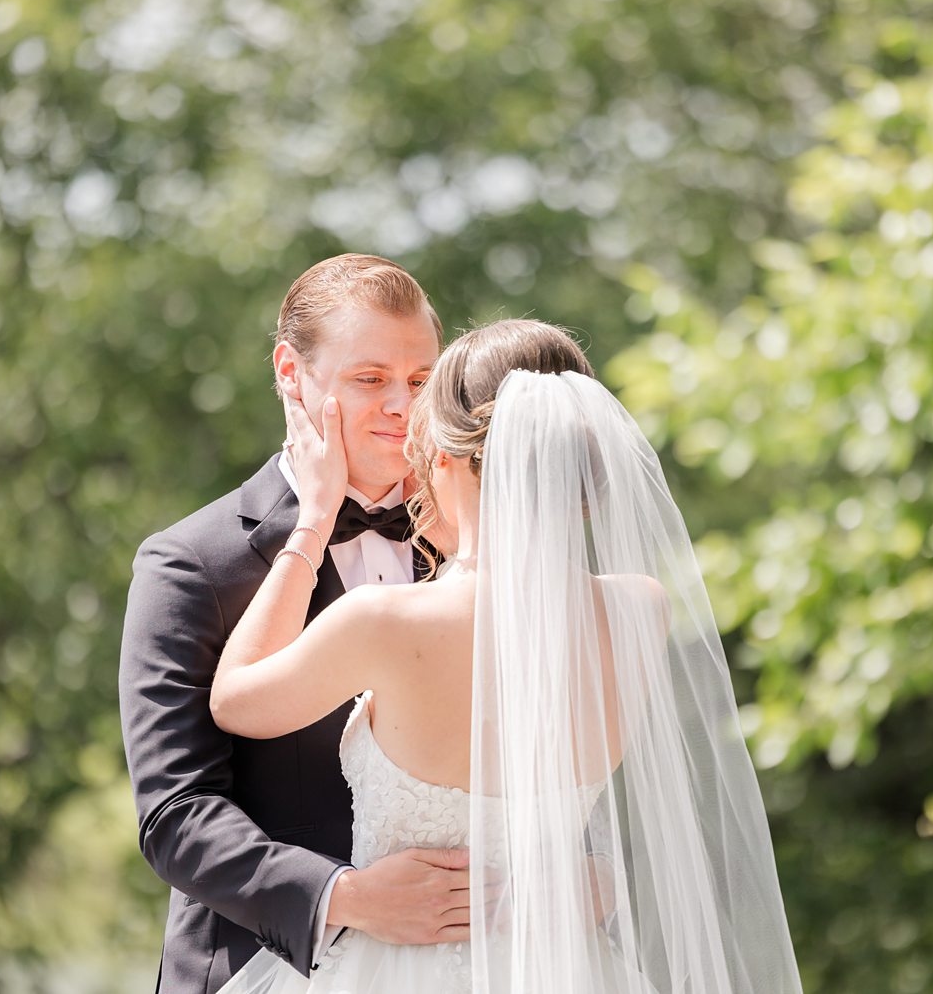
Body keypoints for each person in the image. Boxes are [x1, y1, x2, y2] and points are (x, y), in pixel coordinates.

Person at [211, 319, 804, 993]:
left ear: (445, 457)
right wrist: (596, 880)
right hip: (570, 965)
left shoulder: (384, 621)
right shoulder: (641, 608)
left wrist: (313, 520)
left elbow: (235, 700)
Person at [118, 254, 472, 994]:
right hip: (267, 968)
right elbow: (176, 813)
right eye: (369, 379)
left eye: (419, 380)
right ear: (290, 372)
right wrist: (349, 897)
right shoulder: (191, 564)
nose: (402, 407)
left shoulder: (475, 548)